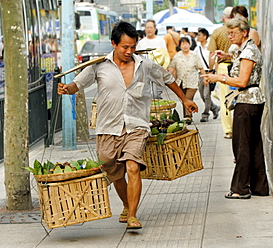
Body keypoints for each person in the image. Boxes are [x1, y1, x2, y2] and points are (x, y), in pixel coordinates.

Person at [58, 21, 198, 229]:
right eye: (125, 47)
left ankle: (132, 215)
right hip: (108, 127)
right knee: (113, 170)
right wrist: (66, 88)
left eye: (133, 47)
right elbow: (77, 85)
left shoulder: (144, 65)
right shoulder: (98, 66)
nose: (129, 51)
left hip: (136, 125)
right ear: (114, 44)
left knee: (133, 166)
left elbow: (167, 78)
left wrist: (184, 100)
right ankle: (126, 204)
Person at [201, 17, 269, 199]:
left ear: (244, 33)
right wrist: (228, 57)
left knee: (242, 145)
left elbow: (242, 81)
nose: (229, 36)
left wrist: (219, 78)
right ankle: (259, 186)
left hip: (247, 101)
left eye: (233, 33)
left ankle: (240, 188)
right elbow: (243, 65)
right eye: (228, 32)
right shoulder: (246, 49)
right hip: (251, 100)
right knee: (253, 144)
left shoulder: (249, 51)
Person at [207, 6, 233, 139]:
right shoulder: (238, 32)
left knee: (225, 99)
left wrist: (211, 70)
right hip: (240, 66)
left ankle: (228, 130)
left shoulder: (217, 32)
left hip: (223, 68)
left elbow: (212, 54)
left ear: (223, 17)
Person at [168, 37, 205, 123]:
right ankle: (187, 116)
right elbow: (172, 68)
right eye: (183, 44)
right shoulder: (177, 56)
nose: (185, 46)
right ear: (180, 46)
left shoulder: (194, 55)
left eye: (186, 43)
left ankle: (188, 117)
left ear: (189, 44)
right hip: (181, 81)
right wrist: (167, 77)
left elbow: (201, 67)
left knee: (188, 97)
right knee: (184, 99)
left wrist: (205, 78)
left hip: (192, 81)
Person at [137, 19, 169, 99]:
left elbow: (165, 56)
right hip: (144, 72)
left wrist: (165, 69)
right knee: (145, 94)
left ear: (155, 28)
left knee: (156, 94)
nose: (149, 29)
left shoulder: (160, 41)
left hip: (157, 70)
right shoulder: (141, 42)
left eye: (151, 27)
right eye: (147, 28)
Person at [193, 28, 220, 122]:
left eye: (199, 35)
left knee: (206, 95)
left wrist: (213, 72)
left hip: (209, 72)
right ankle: (215, 108)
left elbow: (214, 59)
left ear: (205, 36)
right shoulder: (197, 48)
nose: (198, 37)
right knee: (202, 94)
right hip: (201, 73)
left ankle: (205, 114)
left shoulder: (210, 47)